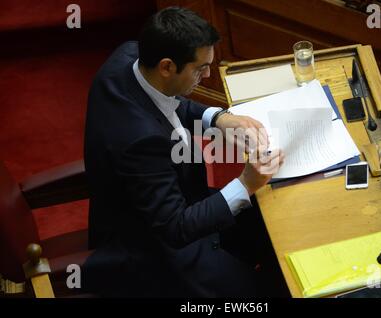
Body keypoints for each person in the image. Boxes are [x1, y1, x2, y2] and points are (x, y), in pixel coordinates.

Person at [83, 6, 286, 297]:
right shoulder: (140, 141)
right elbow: (175, 227)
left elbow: (169, 101)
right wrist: (245, 183)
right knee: (263, 293)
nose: (206, 76)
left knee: (271, 221)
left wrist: (219, 119)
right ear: (167, 66)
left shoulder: (131, 56)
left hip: (178, 197)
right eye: (200, 68)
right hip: (157, 248)